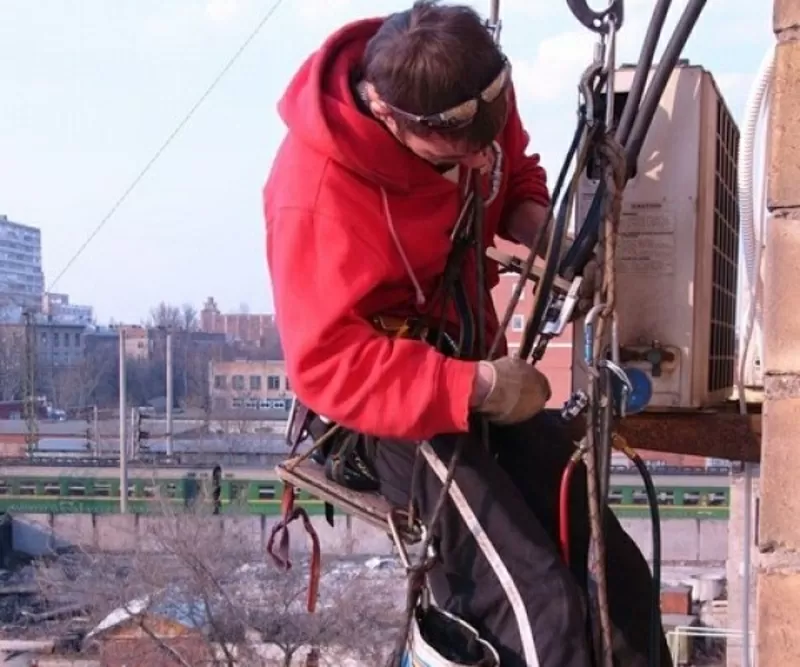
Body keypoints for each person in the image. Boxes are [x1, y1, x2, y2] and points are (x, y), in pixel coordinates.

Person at [263, 2, 672, 667]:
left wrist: (544, 230)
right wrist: (478, 385)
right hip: (385, 412)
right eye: (461, 150)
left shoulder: (467, 92)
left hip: (467, 370)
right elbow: (330, 364)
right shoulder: (315, 194)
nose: (483, 153)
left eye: (491, 131)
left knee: (616, 576)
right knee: (542, 610)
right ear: (391, 118)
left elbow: (512, 170)